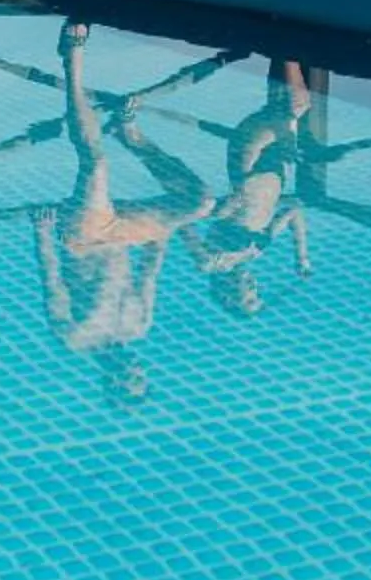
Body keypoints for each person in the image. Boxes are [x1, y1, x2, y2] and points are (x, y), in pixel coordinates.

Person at [35, 20, 213, 399]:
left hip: (86, 238)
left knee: (96, 164)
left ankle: (72, 59)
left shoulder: (75, 338)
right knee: (201, 202)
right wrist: (168, 225)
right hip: (130, 235)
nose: (133, 371)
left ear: (108, 382)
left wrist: (42, 234)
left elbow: (52, 284)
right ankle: (131, 135)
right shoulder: (139, 326)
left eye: (126, 381)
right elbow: (150, 269)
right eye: (139, 377)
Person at [185, 58, 314, 315]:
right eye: (258, 293)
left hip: (249, 161)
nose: (255, 286)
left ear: (229, 297)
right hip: (271, 159)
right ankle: (281, 36)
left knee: (295, 106)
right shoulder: (254, 250)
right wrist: (301, 257)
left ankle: (288, 34)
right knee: (283, 101)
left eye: (251, 296)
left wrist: (222, 207)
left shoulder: (213, 260)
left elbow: (181, 221)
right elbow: (294, 210)